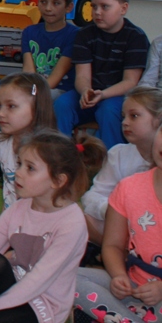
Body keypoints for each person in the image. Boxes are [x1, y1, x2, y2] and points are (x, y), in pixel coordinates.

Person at [0, 130, 88, 323]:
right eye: (19, 163)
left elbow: (38, 281)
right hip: (13, 288)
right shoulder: (19, 207)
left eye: (30, 168)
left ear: (58, 180)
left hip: (42, 305)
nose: (19, 173)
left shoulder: (72, 223)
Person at [0, 0, 76, 186]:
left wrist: (31, 93)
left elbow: (57, 76)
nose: (48, 8)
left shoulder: (74, 34)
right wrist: (25, 91)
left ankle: (32, 158)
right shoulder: (30, 31)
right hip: (31, 86)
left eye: (56, 3)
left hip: (58, 89)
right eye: (44, 2)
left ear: (69, 7)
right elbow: (28, 71)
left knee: (35, 101)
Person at [74, 121, 162, 323]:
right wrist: (119, 276)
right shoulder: (129, 188)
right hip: (134, 287)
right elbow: (112, 245)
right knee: (66, 278)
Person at [55, 0, 149, 148]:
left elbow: (130, 82)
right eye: (94, 6)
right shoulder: (84, 34)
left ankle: (110, 160)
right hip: (90, 94)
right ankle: (58, 156)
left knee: (108, 111)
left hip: (118, 96)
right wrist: (85, 91)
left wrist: (103, 95)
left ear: (123, 8)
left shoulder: (136, 37)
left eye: (105, 7)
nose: (97, 12)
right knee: (62, 104)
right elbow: (82, 75)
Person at [81, 86, 162, 244]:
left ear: (158, 120)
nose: (125, 123)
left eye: (134, 116)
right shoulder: (118, 154)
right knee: (82, 219)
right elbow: (92, 196)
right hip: (122, 224)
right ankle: (119, 252)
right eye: (123, 117)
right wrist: (110, 210)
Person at [0, 72, 57, 210]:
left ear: (36, 107)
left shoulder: (47, 152)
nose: (0, 113)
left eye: (11, 106)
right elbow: (8, 190)